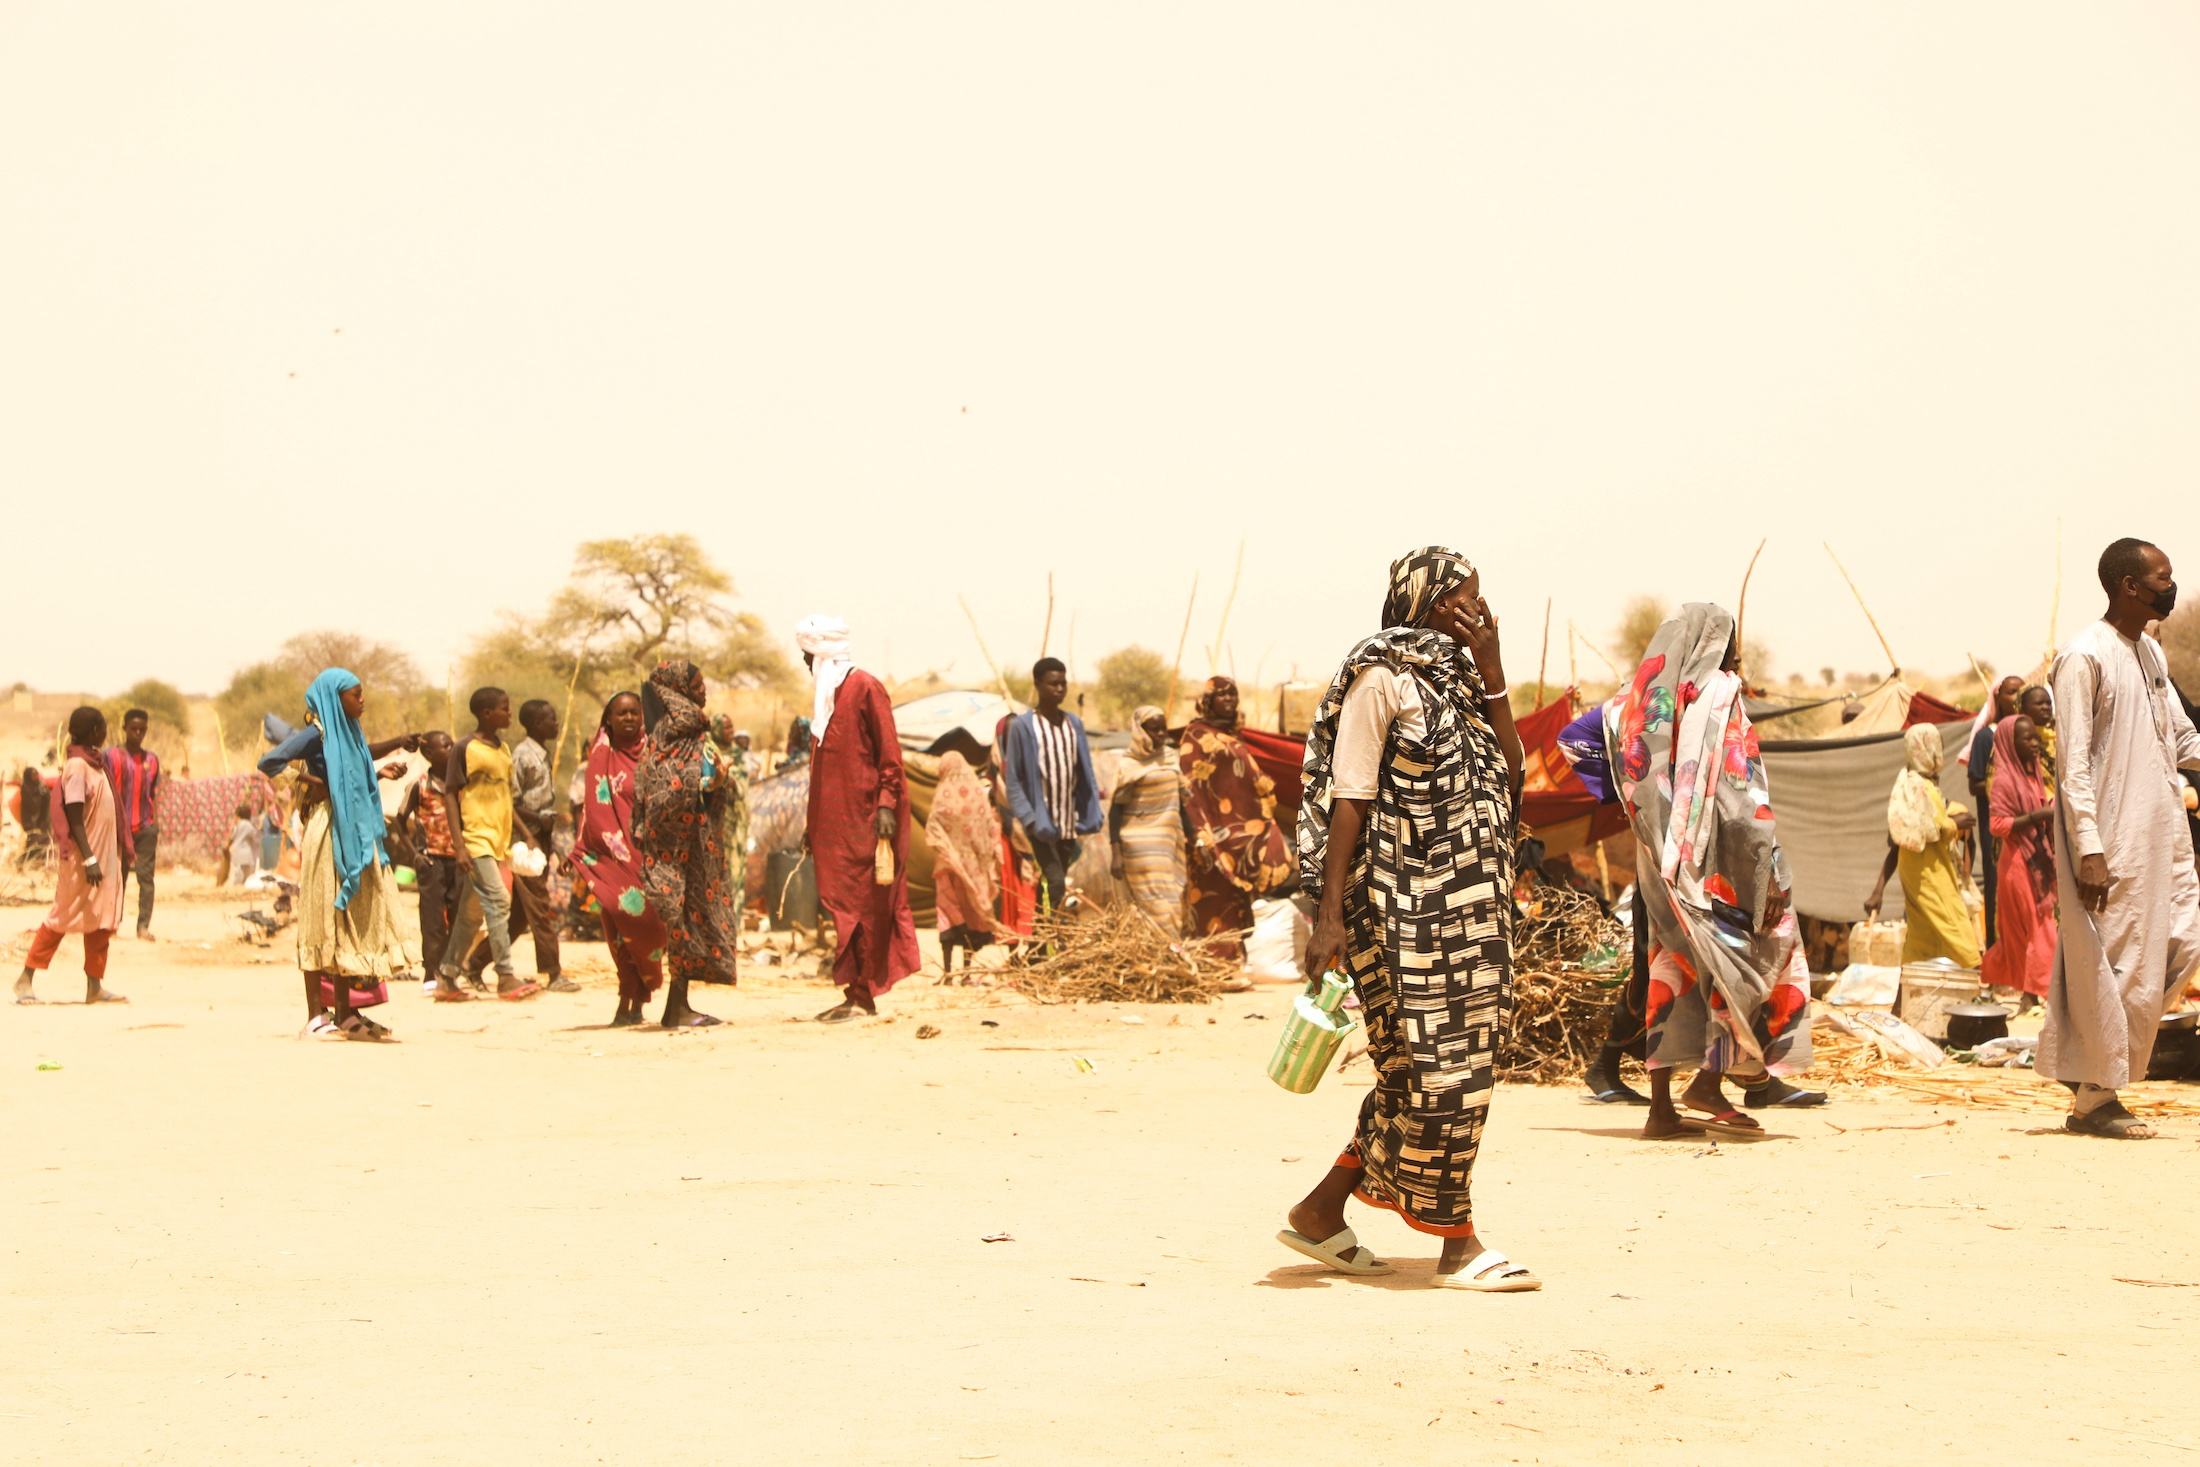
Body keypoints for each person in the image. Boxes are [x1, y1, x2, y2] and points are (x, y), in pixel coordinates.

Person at [1283, 547, 1538, 1292]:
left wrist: (1492, 669)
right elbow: (1350, 795)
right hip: (1402, 912)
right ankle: (1456, 1239)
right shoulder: (1380, 676)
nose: (1476, 614)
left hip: (1470, 912)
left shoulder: (1462, 681)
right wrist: (1328, 917)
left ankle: (1320, 1211)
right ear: (1424, 602)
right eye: (1463, 601)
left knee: (1420, 1071)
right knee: (1439, 1073)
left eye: (1481, 602)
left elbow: (1515, 771)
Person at [1607, 605, 1814, 1141]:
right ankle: (1710, 1081)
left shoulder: (1636, 707)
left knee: (1670, 968)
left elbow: (1599, 758)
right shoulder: (1720, 699)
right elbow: (1742, 796)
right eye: (1730, 643)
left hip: (1659, 861)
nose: (1736, 655)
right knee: (1755, 955)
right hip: (1718, 865)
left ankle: (1661, 1110)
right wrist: (1771, 870)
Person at [2040, 538, 2200, 1138]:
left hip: (2167, 837)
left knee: (2183, 943)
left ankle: (2091, 1076)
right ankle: (2096, 1098)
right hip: (2115, 840)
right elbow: (2072, 764)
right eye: (2163, 578)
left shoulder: (2151, 654)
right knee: (2127, 967)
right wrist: (2089, 847)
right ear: (2129, 586)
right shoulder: (2084, 657)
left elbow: (2181, 740)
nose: (2171, 587)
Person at [256, 671, 419, 1039]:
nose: (362, 700)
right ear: (335, 697)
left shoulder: (349, 734)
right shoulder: (318, 734)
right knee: (321, 914)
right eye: (355, 695)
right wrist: (312, 783)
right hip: (328, 829)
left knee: (347, 919)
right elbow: (270, 763)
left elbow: (352, 770)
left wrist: (383, 767)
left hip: (356, 826)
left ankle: (345, 1013)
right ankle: (316, 1016)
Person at [797, 615, 920, 1022]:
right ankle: (854, 991)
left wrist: (886, 806)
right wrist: (810, 826)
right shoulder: (824, 701)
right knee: (841, 909)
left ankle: (864, 994)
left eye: (807, 656)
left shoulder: (865, 687)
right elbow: (823, 771)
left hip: (866, 822)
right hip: (833, 828)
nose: (804, 663)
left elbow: (890, 757)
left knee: (866, 909)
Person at [630, 661, 734, 1027]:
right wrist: (711, 780)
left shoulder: (676, 733)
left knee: (688, 919)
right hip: (676, 848)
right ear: (679, 690)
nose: (704, 691)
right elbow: (666, 787)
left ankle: (680, 1004)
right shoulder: (677, 732)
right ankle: (677, 1009)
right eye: (697, 684)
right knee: (681, 920)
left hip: (690, 845)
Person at [14, 707, 131, 1004]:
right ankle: (25, 978)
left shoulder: (96, 764)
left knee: (100, 919)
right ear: (94, 731)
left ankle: (95, 986)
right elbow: (75, 816)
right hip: (83, 860)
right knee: (62, 916)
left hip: (103, 857)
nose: (105, 732)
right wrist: (90, 858)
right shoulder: (77, 767)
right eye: (103, 727)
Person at [438, 687, 541, 1002]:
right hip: (475, 839)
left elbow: (506, 798)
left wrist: (524, 832)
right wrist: (459, 845)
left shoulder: (503, 749)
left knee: (471, 913)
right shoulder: (465, 748)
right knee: (498, 901)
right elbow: (450, 794)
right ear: (486, 713)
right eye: (504, 709)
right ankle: (506, 975)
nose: (509, 714)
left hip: (498, 842)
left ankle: (447, 976)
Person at [575, 692, 672, 1026]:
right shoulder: (600, 758)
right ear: (609, 720)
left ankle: (640, 996)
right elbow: (590, 809)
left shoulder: (655, 754)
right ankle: (626, 996)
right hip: (611, 858)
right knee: (617, 924)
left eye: (635, 713)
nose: (629, 719)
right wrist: (580, 850)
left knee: (649, 925)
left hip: (649, 857)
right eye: (622, 714)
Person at [1181, 676, 1294, 959]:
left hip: (1237, 837)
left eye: (1233, 695)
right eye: (1222, 695)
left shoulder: (1233, 735)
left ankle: (1232, 962)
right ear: (1208, 701)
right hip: (1208, 836)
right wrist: (1200, 834)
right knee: (1210, 900)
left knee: (1233, 900)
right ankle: (1211, 964)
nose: (1229, 700)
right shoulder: (1195, 736)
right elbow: (1189, 789)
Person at [1865, 725, 1981, 968]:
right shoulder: (1916, 786)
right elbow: (1910, 834)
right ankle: (1975, 995)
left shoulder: (1917, 784)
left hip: (1926, 870)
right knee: (1958, 931)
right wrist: (1953, 823)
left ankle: (1901, 1003)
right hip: (1928, 874)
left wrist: (1879, 890)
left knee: (1921, 940)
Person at [1002, 657, 1103, 916]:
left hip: (1068, 822)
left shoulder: (1073, 724)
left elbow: (1085, 771)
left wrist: (1091, 810)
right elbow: (1013, 778)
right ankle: (1059, 939)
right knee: (1056, 880)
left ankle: (1040, 945)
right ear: (1038, 685)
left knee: (1053, 883)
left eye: (1063, 683)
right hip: (1041, 823)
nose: (1059, 689)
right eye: (1052, 684)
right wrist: (1029, 818)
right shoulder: (1023, 727)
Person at [1981, 714, 2056, 1008]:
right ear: (2011, 744)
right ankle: (2040, 989)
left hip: (2035, 859)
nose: (2035, 743)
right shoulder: (2004, 779)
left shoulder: (2032, 773)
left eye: (2036, 737)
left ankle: (2030, 992)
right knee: (2037, 926)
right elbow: (1997, 824)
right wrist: (2036, 817)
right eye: (2027, 738)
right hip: (2017, 862)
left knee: (2035, 927)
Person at [507, 699, 575, 992]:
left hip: (543, 835)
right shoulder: (522, 756)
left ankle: (472, 965)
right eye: (550, 719)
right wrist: (537, 823)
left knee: (520, 916)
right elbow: (511, 802)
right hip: (527, 837)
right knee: (540, 906)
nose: (556, 723)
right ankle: (553, 972)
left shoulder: (543, 754)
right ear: (535, 724)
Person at [398, 731, 472, 1002]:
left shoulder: (462, 785)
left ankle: (450, 970)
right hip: (431, 860)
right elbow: (400, 819)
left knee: (458, 916)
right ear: (429, 754)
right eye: (446, 745)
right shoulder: (419, 785)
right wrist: (414, 854)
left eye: (453, 744)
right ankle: (431, 972)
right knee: (432, 920)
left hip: (459, 859)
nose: (452, 748)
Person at [1108, 705, 1186, 934]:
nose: (1161, 735)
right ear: (1140, 731)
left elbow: (1181, 803)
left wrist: (1195, 838)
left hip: (1167, 846)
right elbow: (1116, 810)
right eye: (1154, 730)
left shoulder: (1170, 758)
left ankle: (1166, 955)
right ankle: (1161, 950)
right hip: (1139, 848)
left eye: (1163, 729)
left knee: (1171, 900)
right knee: (1154, 905)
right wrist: (1115, 853)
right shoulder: (1129, 764)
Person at [924, 750, 1000, 975]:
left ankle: (947, 972)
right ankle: (966, 970)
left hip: (948, 867)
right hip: (975, 868)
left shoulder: (943, 794)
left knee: (948, 914)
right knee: (972, 916)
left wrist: (948, 851)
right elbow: (988, 826)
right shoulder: (977, 793)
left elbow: (934, 826)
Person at [1966, 675, 2024, 946]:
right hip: (1997, 831)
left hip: (2026, 827)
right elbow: (1975, 783)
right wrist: (2007, 785)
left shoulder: (2028, 738)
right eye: (2011, 692)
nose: (2016, 698)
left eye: (2020, 693)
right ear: (1998, 697)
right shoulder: (1985, 738)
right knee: (1997, 890)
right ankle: (1997, 953)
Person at [105, 708, 161, 940]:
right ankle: (112, 924)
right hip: (118, 828)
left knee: (146, 879)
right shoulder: (112, 756)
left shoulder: (152, 760)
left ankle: (143, 927)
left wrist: (154, 823)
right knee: (118, 878)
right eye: (133, 729)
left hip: (145, 827)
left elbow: (154, 793)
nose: (138, 733)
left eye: (142, 729)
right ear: (125, 728)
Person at [709, 715, 754, 946]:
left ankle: (732, 930)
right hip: (715, 822)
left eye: (731, 726)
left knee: (736, 873)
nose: (730, 730)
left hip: (736, 824)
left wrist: (730, 780)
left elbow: (742, 785)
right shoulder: (709, 751)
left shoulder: (737, 754)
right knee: (715, 873)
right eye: (725, 726)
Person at [2019, 684, 2057, 795]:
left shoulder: (2057, 738)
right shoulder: (2015, 741)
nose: (2046, 707)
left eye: (2049, 703)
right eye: (2039, 703)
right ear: (2023, 708)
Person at [227, 803, 259, 886]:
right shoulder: (249, 825)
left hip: (236, 851)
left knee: (236, 874)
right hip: (246, 853)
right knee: (247, 875)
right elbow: (255, 837)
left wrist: (228, 846)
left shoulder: (237, 825)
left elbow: (231, 837)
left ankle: (235, 887)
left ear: (238, 815)